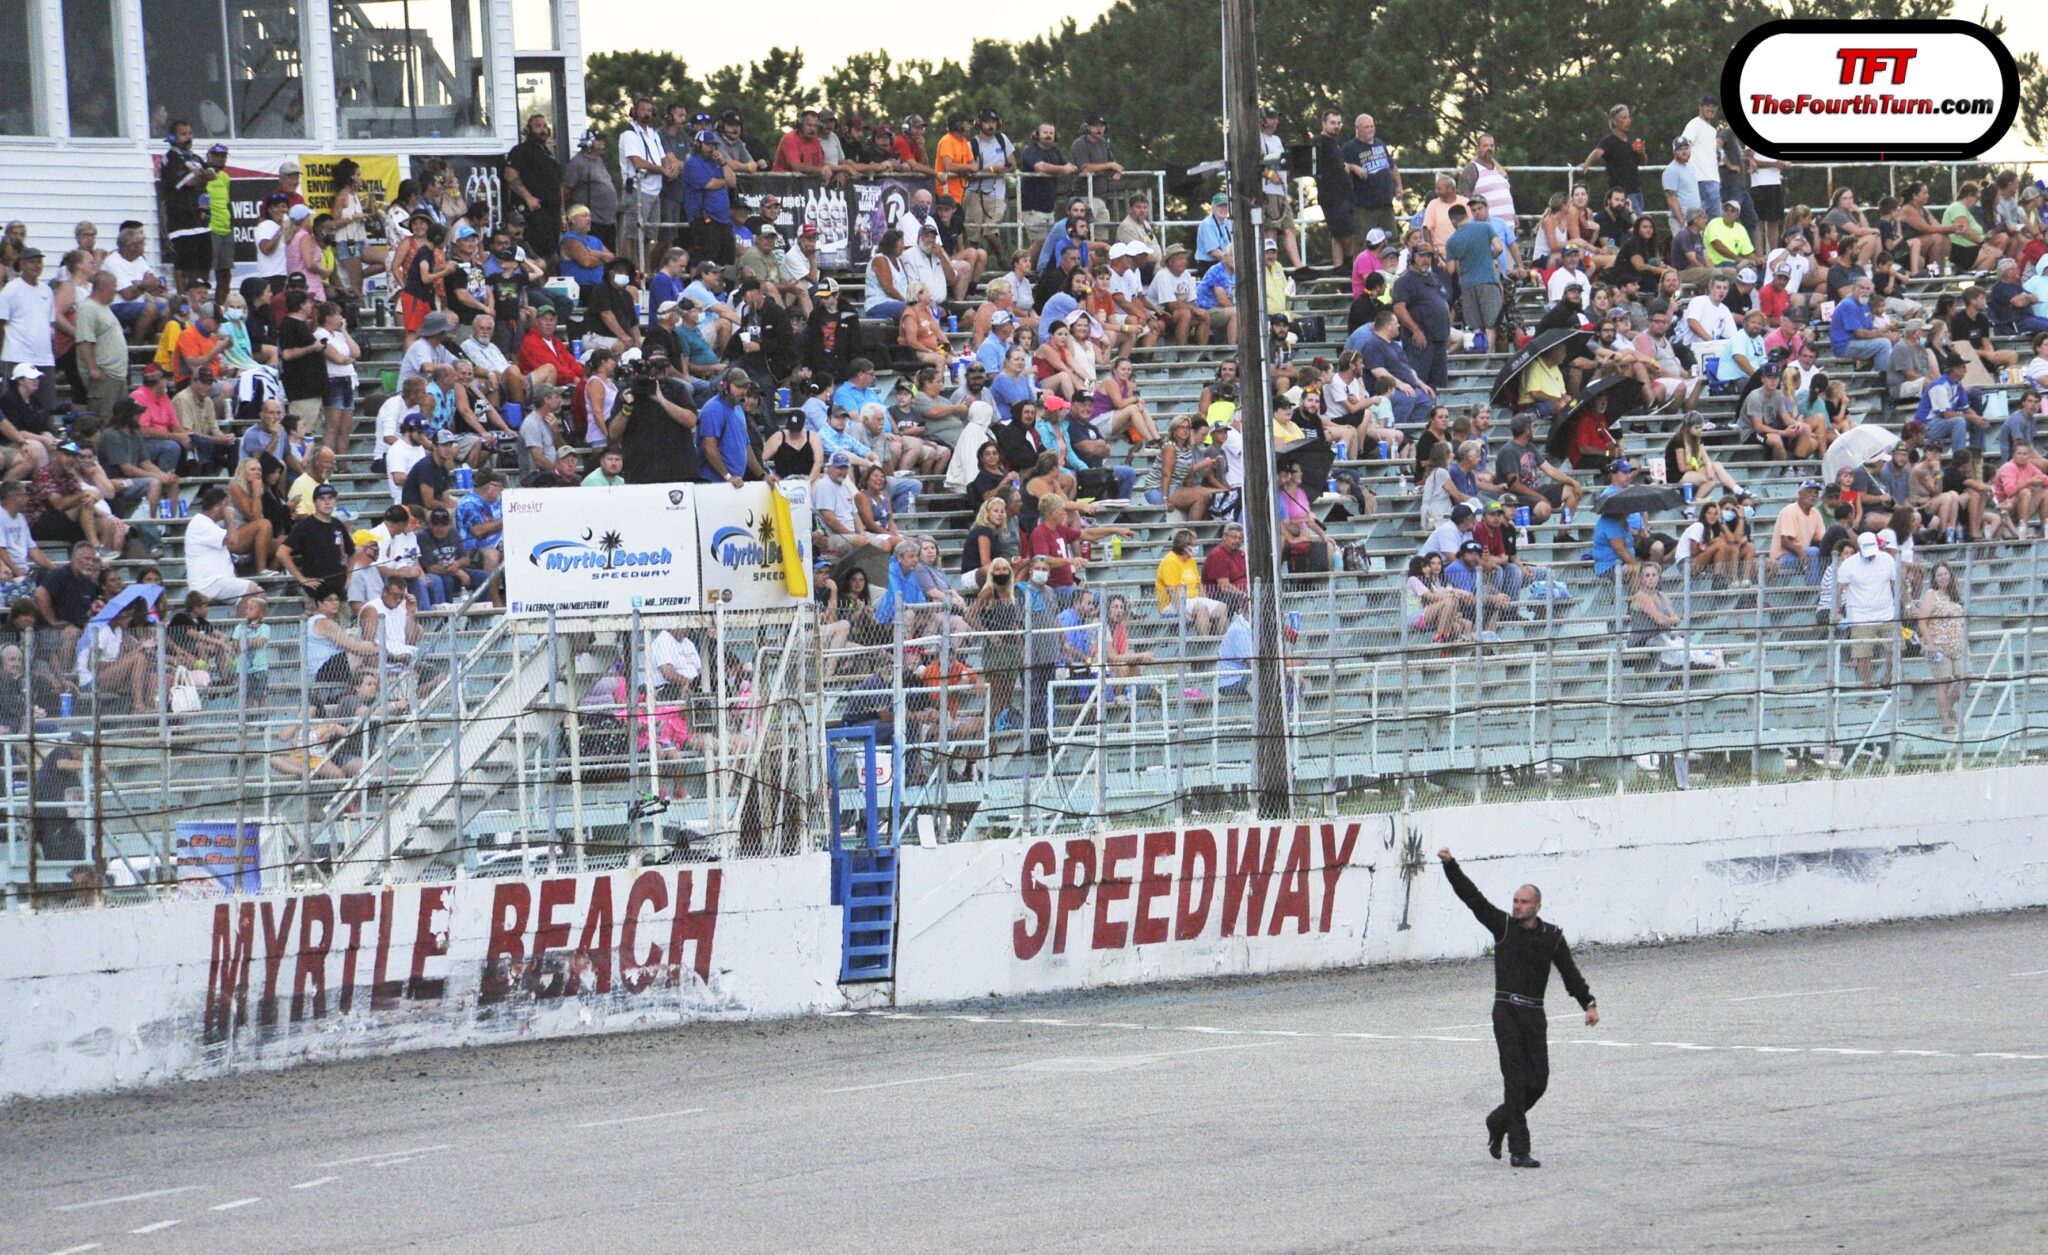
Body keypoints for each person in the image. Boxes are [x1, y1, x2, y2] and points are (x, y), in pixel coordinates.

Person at [1436, 847, 1598, 1169]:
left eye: (1523, 902)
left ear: (1537, 906)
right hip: (1506, 1012)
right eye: (1515, 900)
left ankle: (1499, 1121)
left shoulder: (1552, 936)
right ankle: (1519, 1150)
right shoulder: (1503, 927)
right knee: (1514, 1079)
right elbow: (1473, 899)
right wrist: (1451, 866)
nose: (1517, 906)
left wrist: (1588, 1003)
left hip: (1534, 1015)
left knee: (1538, 1082)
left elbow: (1569, 972)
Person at [1834, 531, 1900, 689]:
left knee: (1896, 647)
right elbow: (1839, 590)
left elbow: (1898, 582)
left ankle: (1887, 678)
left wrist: (1909, 604)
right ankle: (1866, 684)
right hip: (1860, 614)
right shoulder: (1849, 565)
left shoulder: (1886, 559)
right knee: (1863, 653)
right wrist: (1837, 611)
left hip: (1886, 612)